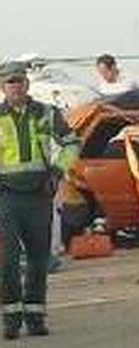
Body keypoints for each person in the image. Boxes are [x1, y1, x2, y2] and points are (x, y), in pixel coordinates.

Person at [0, 62, 80, 340]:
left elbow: (72, 143)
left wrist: (58, 171)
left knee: (38, 259)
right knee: (7, 260)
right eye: (10, 81)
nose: (16, 86)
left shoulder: (46, 113)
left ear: (27, 84)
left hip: (39, 196)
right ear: (2, 87)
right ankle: (11, 318)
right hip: (6, 198)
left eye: (20, 80)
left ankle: (35, 315)